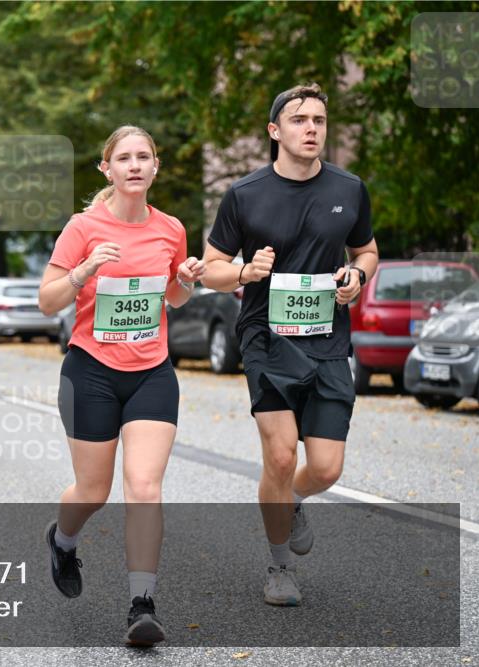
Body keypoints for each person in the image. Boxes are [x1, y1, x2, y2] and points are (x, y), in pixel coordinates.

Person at [201, 83, 378, 607]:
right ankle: (279, 568)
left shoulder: (349, 188)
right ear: (275, 131)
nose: (312, 129)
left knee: (325, 467)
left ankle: (295, 499)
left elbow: (366, 250)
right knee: (279, 455)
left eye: (320, 121)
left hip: (327, 341)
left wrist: (356, 276)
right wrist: (243, 269)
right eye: (300, 120)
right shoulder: (245, 194)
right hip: (265, 338)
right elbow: (209, 268)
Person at [38, 125, 205, 646]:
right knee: (93, 490)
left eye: (144, 157)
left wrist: (187, 279)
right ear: (106, 169)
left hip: (152, 371)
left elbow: (174, 299)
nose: (134, 165)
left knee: (145, 486)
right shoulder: (82, 226)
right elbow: (48, 301)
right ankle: (63, 541)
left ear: (156, 167)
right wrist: (82, 271)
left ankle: (142, 605)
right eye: (124, 158)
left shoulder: (170, 229)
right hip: (91, 370)